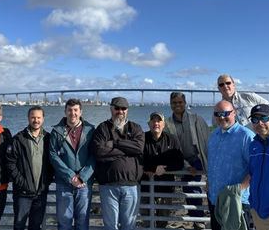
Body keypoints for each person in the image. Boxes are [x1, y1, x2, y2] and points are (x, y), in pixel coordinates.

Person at [92, 97, 145, 230]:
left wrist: (114, 143)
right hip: (108, 186)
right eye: (117, 108)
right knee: (110, 226)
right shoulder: (102, 128)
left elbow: (138, 148)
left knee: (129, 225)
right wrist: (127, 150)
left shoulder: (136, 128)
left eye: (123, 108)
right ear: (111, 108)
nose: (120, 111)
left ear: (127, 110)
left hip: (131, 186)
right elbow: (99, 152)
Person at [163, 92, 210, 229]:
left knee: (192, 188)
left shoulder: (196, 119)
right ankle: (198, 219)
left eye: (180, 102)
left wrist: (209, 161)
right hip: (181, 161)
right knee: (188, 188)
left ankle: (199, 219)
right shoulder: (167, 124)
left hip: (199, 158)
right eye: (174, 103)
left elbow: (207, 139)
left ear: (185, 103)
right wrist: (186, 165)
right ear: (171, 104)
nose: (177, 105)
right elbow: (171, 148)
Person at [207, 100, 255, 230]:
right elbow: (212, 162)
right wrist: (208, 182)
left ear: (234, 113)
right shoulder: (213, 135)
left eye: (225, 113)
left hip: (237, 202)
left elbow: (256, 168)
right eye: (217, 114)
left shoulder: (246, 136)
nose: (221, 117)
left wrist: (239, 189)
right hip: (214, 199)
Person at [49, 99, 96, 230]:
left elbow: (94, 156)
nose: (73, 113)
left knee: (82, 222)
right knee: (64, 223)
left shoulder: (90, 130)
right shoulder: (56, 131)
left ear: (81, 112)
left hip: (84, 183)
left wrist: (82, 177)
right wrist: (70, 176)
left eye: (75, 110)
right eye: (69, 110)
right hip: (64, 183)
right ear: (65, 111)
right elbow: (53, 156)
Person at [6, 106, 53, 230]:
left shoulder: (49, 138)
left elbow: (52, 163)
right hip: (23, 193)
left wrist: (46, 182)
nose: (35, 120)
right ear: (28, 118)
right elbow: (10, 164)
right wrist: (23, 183)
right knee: (19, 225)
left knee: (36, 226)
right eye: (33, 117)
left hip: (40, 193)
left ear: (43, 119)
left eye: (38, 117)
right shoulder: (18, 139)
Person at [142, 112, 184, 228]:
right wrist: (153, 168)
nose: (156, 123)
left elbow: (180, 162)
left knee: (163, 221)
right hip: (145, 187)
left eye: (159, 121)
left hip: (166, 187)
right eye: (153, 121)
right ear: (148, 123)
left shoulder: (172, 139)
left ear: (164, 124)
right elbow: (137, 159)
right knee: (146, 220)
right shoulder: (142, 138)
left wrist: (165, 169)